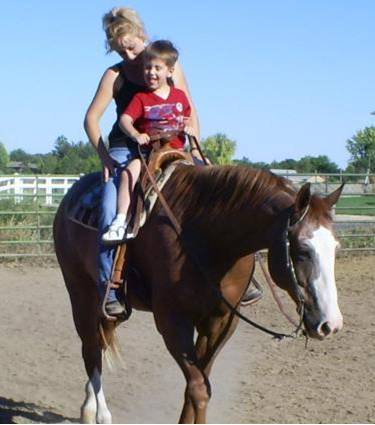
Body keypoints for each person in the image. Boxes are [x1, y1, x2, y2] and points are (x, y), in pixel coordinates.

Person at [84, 7, 201, 317]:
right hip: (130, 147)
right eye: (121, 50)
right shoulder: (115, 75)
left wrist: (195, 145)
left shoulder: (167, 64)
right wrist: (105, 157)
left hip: (171, 144)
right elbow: (91, 119)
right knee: (111, 207)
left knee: (213, 189)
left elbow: (189, 107)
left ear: (142, 37)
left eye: (132, 47)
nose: (129, 55)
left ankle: (236, 274)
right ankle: (110, 284)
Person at [102, 40, 192, 243]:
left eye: (157, 68)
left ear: (169, 71)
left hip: (177, 151)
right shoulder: (141, 98)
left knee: (206, 175)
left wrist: (189, 127)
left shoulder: (179, 96)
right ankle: (120, 220)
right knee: (128, 174)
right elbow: (125, 119)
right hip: (149, 153)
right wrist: (135, 134)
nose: (151, 72)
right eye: (148, 68)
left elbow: (187, 116)